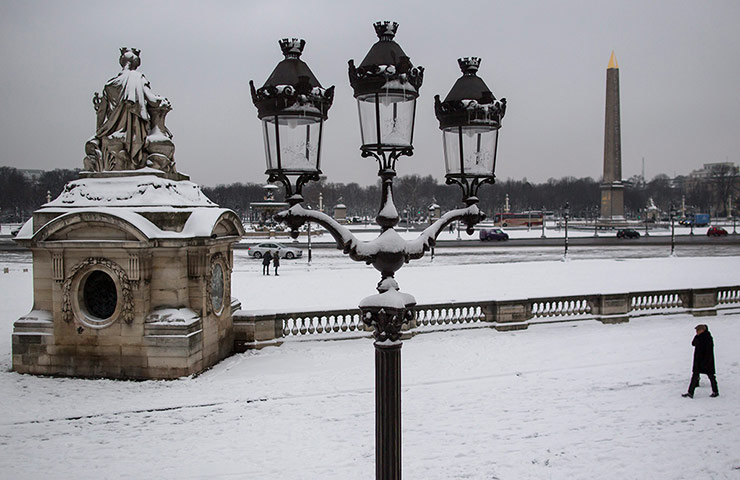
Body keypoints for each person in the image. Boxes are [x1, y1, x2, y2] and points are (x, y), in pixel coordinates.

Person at [682, 324, 719, 398]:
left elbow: (707, 350)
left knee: (711, 376)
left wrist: (706, 360)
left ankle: (715, 391)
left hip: (706, 361)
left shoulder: (707, 338)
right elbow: (693, 343)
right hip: (699, 361)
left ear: (702, 330)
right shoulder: (699, 337)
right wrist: (697, 337)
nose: (696, 332)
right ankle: (690, 392)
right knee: (695, 376)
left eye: (698, 330)